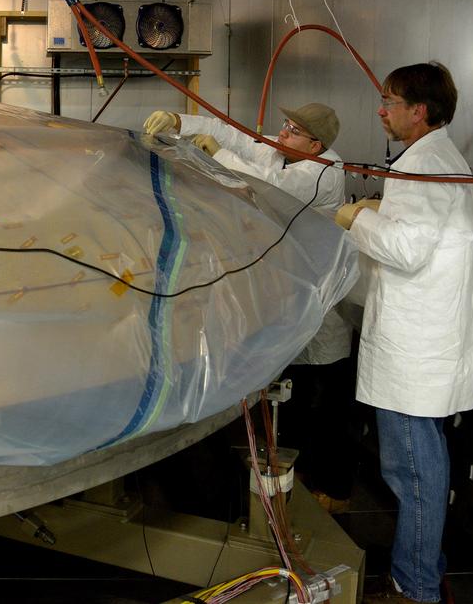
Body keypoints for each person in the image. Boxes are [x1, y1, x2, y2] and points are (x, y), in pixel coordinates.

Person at [142, 103, 358, 510]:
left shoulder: (322, 171)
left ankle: (334, 488)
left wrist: (217, 156)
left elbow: (269, 184)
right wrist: (180, 121)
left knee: (323, 404)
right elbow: (235, 133)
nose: (282, 133)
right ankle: (297, 484)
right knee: (295, 399)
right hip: (293, 293)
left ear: (315, 144)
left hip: (321, 299)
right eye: (286, 124)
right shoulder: (287, 152)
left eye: (293, 130)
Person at [333, 62, 473, 603]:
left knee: (412, 474)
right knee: (417, 466)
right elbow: (419, 236)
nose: (382, 109)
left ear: (418, 111)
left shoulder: (425, 164)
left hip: (416, 351)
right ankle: (426, 568)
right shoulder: (432, 158)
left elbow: (406, 249)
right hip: (423, 344)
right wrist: (380, 211)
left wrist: (359, 219)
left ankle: (415, 588)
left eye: (390, 101)